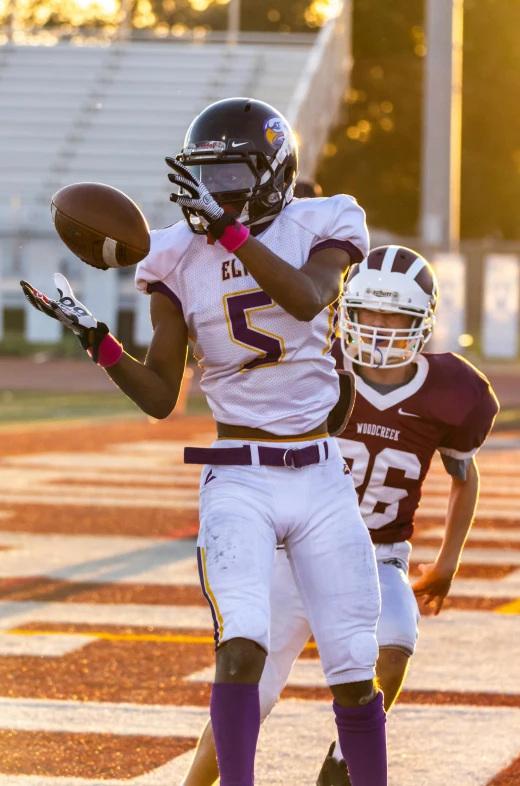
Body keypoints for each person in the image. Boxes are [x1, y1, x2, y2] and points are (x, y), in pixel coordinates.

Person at [20, 98, 388, 786]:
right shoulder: (171, 256)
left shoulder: (324, 222)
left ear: (273, 175)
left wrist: (233, 239)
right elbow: (163, 396)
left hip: (320, 473)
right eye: (204, 177)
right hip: (238, 477)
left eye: (229, 176)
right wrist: (99, 343)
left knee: (353, 666)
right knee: (241, 647)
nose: (211, 194)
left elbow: (309, 298)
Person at [180, 244, 499, 786]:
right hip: (290, 549)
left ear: (422, 321)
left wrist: (448, 561)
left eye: (394, 315)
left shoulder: (457, 391)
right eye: (368, 311)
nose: (378, 327)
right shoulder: (314, 365)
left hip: (377, 557)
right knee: (247, 695)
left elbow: (463, 476)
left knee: (395, 642)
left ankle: (340, 763)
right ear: (344, 309)